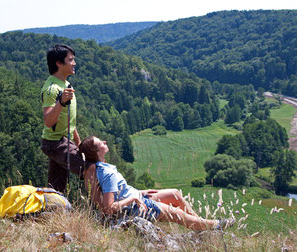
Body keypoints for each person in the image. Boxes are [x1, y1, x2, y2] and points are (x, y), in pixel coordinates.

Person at [79, 136, 235, 231]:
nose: (105, 141)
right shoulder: (108, 173)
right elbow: (109, 207)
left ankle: (200, 225)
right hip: (134, 208)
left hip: (138, 197)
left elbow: (119, 192)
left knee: (175, 194)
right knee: (177, 214)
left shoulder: (100, 168)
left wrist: (141, 192)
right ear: (95, 151)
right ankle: (213, 225)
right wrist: (134, 199)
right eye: (101, 142)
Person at [40, 44, 92, 193]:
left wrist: (80, 145)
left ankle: (51, 213)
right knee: (91, 169)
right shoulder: (52, 89)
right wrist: (61, 102)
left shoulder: (66, 84)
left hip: (62, 141)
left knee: (56, 188)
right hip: (55, 143)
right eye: (70, 60)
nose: (74, 63)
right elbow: (48, 122)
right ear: (58, 63)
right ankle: (107, 210)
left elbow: (71, 122)